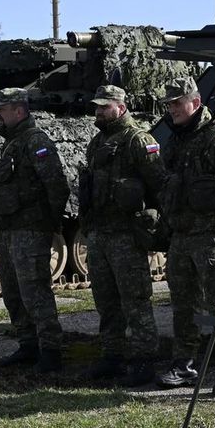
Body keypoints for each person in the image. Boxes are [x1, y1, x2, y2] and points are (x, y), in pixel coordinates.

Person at [154, 76, 215, 396]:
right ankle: (184, 363)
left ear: (194, 103)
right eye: (168, 106)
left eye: (176, 104)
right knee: (183, 305)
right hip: (182, 235)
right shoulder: (177, 138)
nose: (171, 111)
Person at [79, 84, 167, 386]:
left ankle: (144, 360)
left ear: (121, 106)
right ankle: (112, 356)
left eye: (105, 106)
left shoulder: (139, 141)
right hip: (100, 234)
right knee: (106, 301)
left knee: (135, 301)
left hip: (127, 237)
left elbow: (160, 187)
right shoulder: (97, 142)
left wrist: (151, 225)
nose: (99, 111)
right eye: (97, 106)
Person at [0, 87, 68, 373]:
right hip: (9, 230)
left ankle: (51, 351)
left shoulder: (35, 142)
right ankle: (28, 344)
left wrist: (48, 225)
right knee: (13, 293)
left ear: (19, 111)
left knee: (35, 293)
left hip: (30, 230)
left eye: (3, 110)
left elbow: (57, 186)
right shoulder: (13, 143)